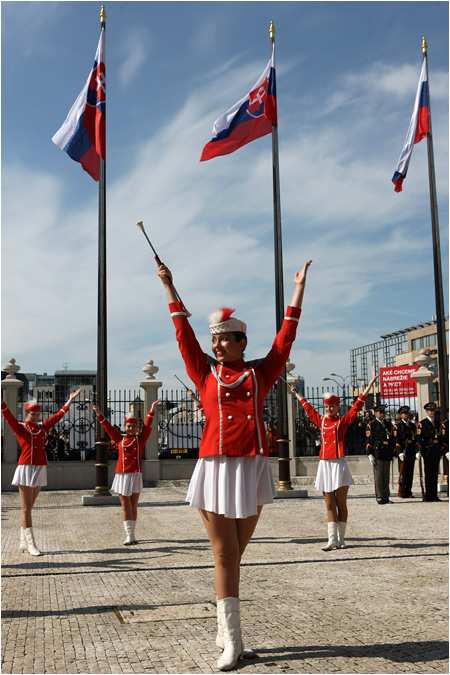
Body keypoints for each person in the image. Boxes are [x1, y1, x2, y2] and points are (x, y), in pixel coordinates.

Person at [158, 259, 312, 671]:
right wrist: (170, 287)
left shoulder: (262, 372)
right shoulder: (204, 372)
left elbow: (286, 338)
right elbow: (182, 335)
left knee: (236, 555)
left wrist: (298, 289)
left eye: (226, 339)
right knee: (225, 554)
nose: (218, 345)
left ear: (242, 341)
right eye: (215, 339)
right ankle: (235, 641)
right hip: (215, 467)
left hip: (252, 467)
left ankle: (224, 630)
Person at [290, 375, 378, 551]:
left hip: (338, 464)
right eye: (327, 406)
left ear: (338, 407)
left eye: (332, 406)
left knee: (341, 503)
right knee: (329, 504)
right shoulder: (321, 421)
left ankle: (342, 538)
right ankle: (332, 539)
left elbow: (356, 407)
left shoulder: (342, 422)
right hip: (325, 465)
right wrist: (297, 394)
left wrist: (368, 387)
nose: (329, 409)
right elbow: (308, 409)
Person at [1, 389, 81, 555]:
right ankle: (31, 544)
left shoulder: (43, 428)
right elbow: (7, 415)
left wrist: (70, 400)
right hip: (25, 468)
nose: (36, 418)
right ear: (27, 414)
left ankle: (23, 542)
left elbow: (59, 415)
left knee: (30, 507)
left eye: (37, 415)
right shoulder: (21, 428)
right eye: (33, 415)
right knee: (26, 508)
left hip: (39, 468)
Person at [92, 399, 161, 544]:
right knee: (125, 505)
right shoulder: (119, 439)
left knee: (134, 505)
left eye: (134, 426)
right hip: (122, 475)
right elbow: (108, 426)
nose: (131, 429)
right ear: (124, 427)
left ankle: (133, 535)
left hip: (135, 475)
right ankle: (128, 534)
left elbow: (148, 425)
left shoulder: (140, 439)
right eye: (129, 426)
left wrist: (152, 409)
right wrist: (98, 413)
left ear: (137, 427)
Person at [366, 404, 396, 504]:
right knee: (378, 476)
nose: (382, 414)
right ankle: (379, 496)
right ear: (375, 413)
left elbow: (392, 439)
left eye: (383, 412)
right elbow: (369, 440)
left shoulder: (388, 424)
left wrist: (394, 452)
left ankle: (386, 496)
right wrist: (369, 453)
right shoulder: (372, 424)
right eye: (380, 412)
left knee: (386, 475)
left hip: (387, 451)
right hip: (377, 452)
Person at [417, 402, 444, 502]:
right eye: (430, 411)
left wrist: (441, 450)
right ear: (427, 411)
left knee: (435, 473)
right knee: (428, 473)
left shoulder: (438, 423)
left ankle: (434, 495)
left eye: (433, 411)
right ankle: (428, 495)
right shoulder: (422, 423)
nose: (432, 412)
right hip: (427, 451)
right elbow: (419, 438)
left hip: (436, 451)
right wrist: (420, 450)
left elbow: (441, 437)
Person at [393, 405, 418, 498]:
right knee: (403, 472)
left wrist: (416, 451)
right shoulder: (397, 426)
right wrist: (399, 452)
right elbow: (397, 440)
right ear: (400, 415)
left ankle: (408, 491)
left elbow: (415, 438)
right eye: (404, 413)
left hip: (410, 450)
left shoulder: (412, 425)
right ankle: (402, 491)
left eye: (407, 413)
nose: (405, 415)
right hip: (403, 450)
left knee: (410, 472)